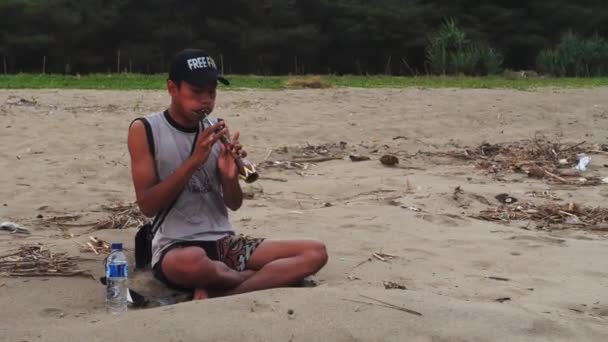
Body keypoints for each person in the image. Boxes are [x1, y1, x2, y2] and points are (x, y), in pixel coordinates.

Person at [127, 49, 328, 300]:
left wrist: (229, 176)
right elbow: (147, 205)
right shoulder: (145, 129)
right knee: (193, 263)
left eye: (211, 93)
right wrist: (194, 162)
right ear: (172, 88)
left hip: (223, 244)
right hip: (176, 246)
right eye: (196, 92)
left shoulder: (215, 127)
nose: (205, 101)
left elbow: (234, 203)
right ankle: (251, 278)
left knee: (314, 252)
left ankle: (222, 289)